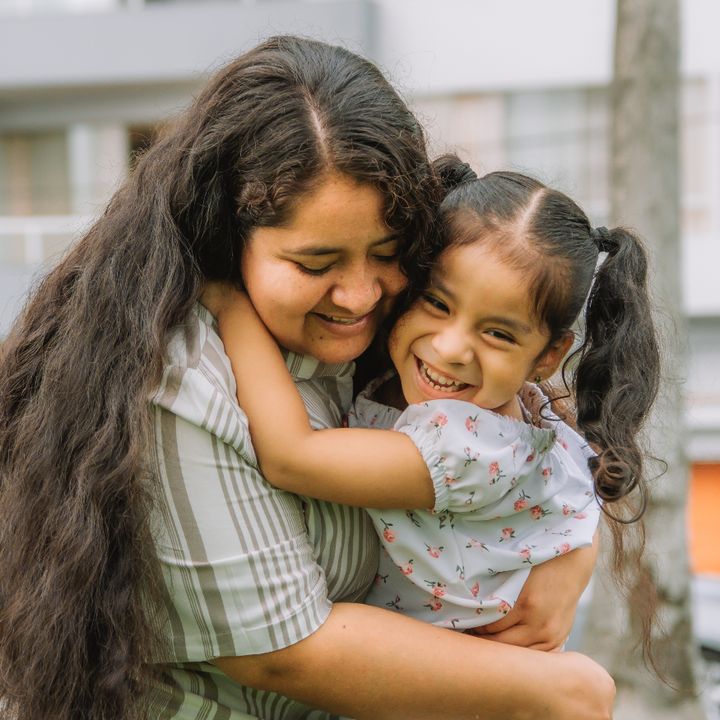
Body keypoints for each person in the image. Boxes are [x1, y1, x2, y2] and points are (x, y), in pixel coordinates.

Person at [0, 37, 616, 720]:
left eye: (387, 252)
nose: (357, 294)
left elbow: (526, 421)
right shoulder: (179, 379)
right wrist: (561, 688)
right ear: (232, 234)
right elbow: (280, 650)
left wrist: (571, 549)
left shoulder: (384, 334)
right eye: (315, 262)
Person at [206, 156, 659, 634]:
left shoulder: (466, 445)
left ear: (549, 355)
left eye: (499, 334)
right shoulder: (507, 406)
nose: (450, 347)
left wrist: (229, 302)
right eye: (437, 303)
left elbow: (291, 457)